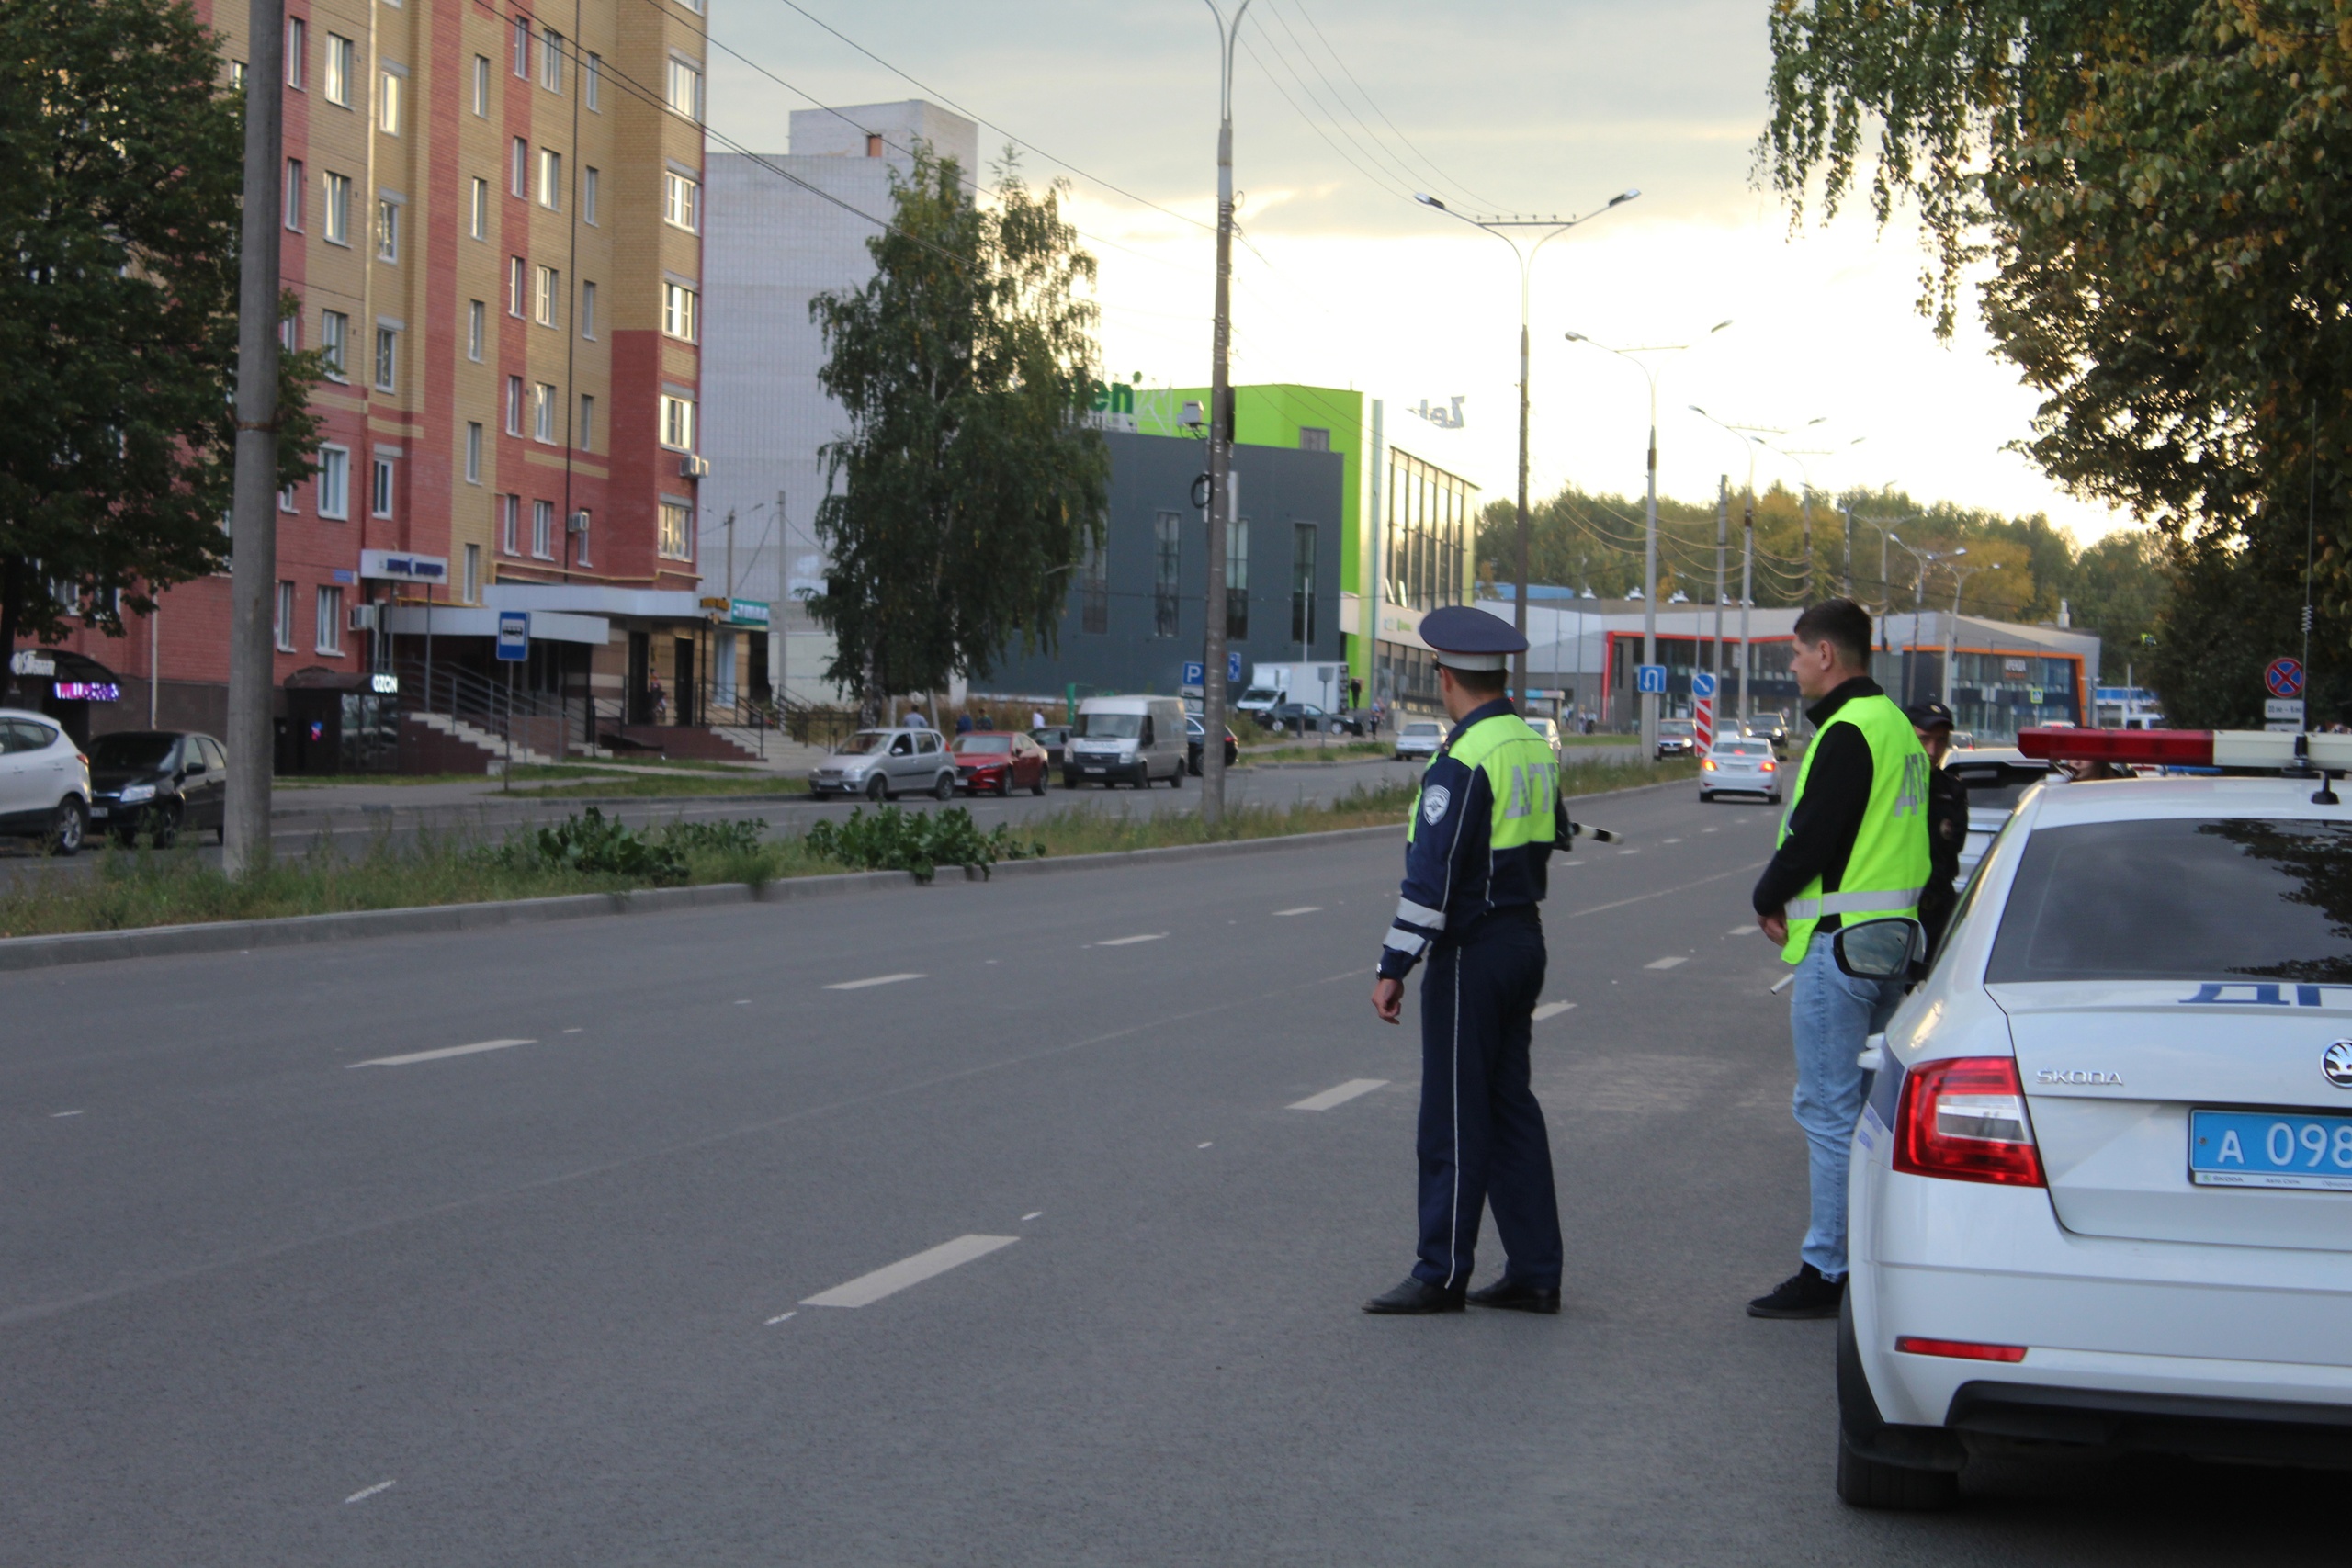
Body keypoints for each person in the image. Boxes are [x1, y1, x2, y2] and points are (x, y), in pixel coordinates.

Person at [1363, 605, 1566, 1316]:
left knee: (1451, 1115)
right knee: (1511, 1108)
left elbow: (1434, 874)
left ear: (1446, 677)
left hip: (1472, 949)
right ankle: (1536, 1268)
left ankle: (1440, 1271)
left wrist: (1395, 963)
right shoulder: (1532, 745)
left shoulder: (1464, 758)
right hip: (1523, 939)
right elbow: (1553, 833)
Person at [1747, 598, 1930, 1321]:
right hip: (1894, 941)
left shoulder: (1848, 731)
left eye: (1796, 651)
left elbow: (1816, 835)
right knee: (1867, 1115)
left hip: (1844, 942)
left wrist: (1766, 892)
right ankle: (1873, 1255)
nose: (1791, 664)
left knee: (1827, 1108)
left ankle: (1827, 1268)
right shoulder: (1898, 731)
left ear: (1827, 654)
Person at [1905, 701, 1967, 958]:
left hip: (1937, 915)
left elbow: (1952, 848)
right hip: (1896, 916)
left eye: (1941, 741)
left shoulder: (1951, 790)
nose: (1932, 750)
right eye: (1924, 739)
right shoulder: (1888, 785)